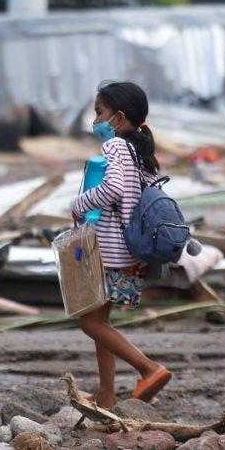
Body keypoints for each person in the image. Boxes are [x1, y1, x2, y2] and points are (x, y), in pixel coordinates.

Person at [70, 81, 172, 410]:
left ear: (118, 118)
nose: (94, 120)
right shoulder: (139, 151)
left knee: (90, 321)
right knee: (102, 322)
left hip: (111, 251)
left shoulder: (116, 147)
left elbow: (112, 189)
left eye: (99, 112)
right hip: (129, 252)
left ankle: (149, 369)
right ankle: (107, 394)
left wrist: (80, 203)